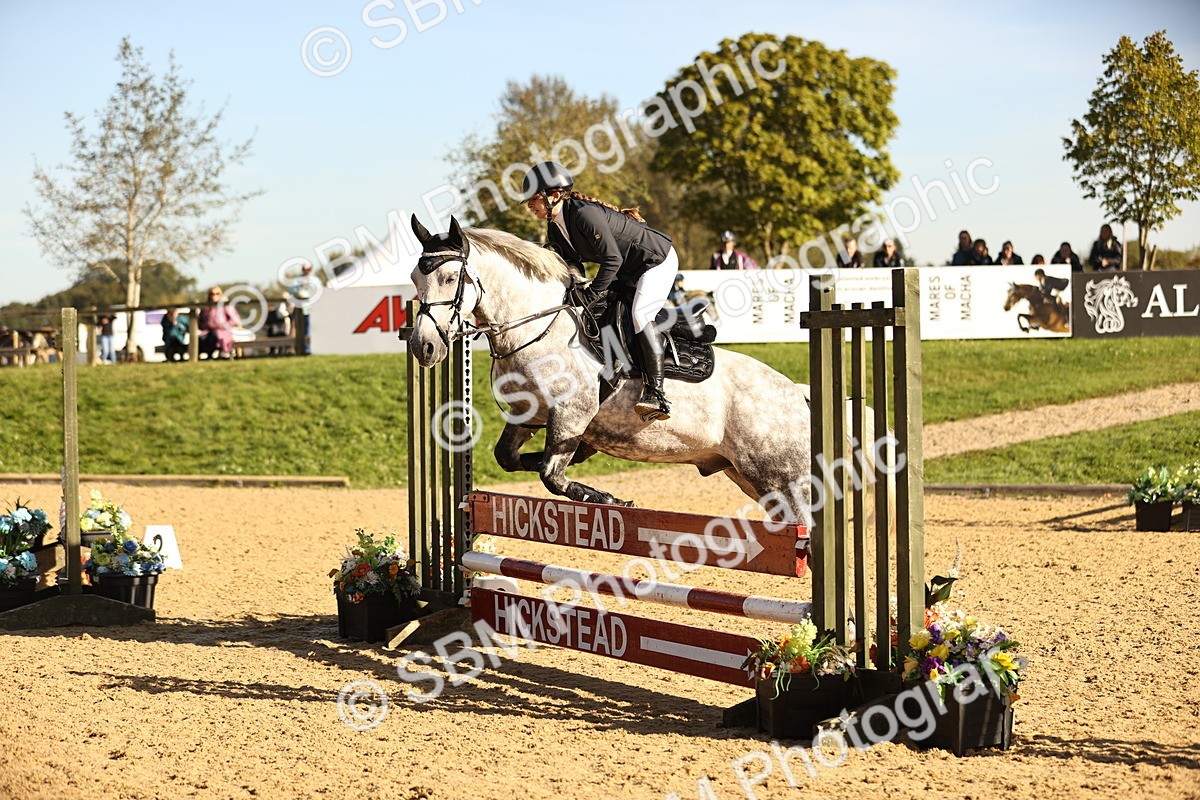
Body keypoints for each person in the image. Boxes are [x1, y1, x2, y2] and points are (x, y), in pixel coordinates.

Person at [521, 160, 676, 421]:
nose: (530, 206)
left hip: (655, 261)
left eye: (534, 199)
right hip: (628, 269)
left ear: (554, 195)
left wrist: (593, 292)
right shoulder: (555, 225)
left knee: (639, 315)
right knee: (603, 316)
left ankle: (656, 393)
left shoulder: (583, 215)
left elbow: (612, 260)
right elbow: (572, 264)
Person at [197, 286, 241, 359]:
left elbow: (235, 319)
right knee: (201, 338)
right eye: (212, 294)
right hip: (207, 331)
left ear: (220, 295)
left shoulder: (225, 305)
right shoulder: (205, 308)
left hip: (223, 332)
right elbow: (200, 320)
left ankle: (213, 355)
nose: (214, 296)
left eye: (217, 294)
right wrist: (204, 325)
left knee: (214, 337)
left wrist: (225, 325)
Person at [288, 262, 321, 353]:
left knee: (311, 329)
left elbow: (320, 291)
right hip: (301, 308)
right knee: (300, 329)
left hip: (314, 308)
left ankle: (309, 348)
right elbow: (291, 290)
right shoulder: (297, 280)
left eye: (308, 269)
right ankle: (304, 349)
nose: (307, 271)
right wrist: (300, 286)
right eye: (305, 269)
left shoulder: (315, 280)